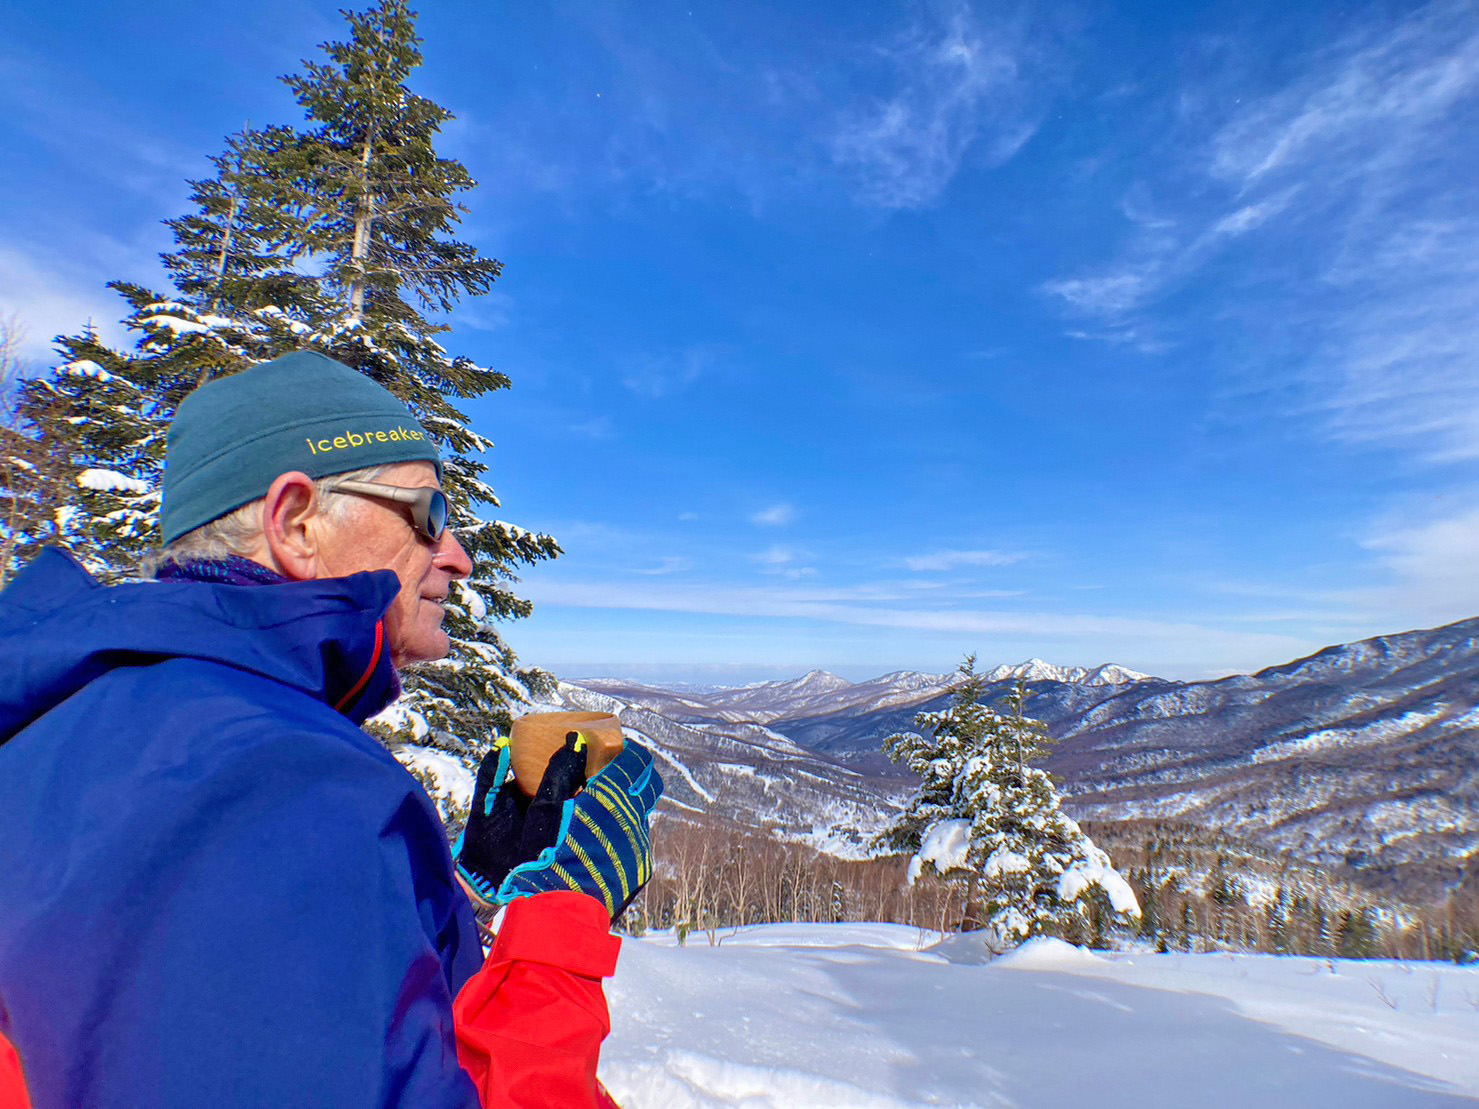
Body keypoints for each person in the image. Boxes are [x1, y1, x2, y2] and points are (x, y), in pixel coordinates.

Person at [0, 351, 661, 1108]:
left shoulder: (109, 719)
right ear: (297, 522)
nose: (459, 557)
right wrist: (557, 934)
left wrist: (458, 905)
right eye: (430, 516)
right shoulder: (262, 780)